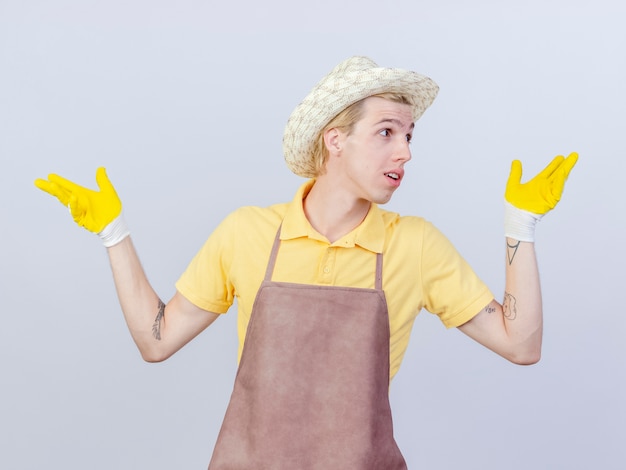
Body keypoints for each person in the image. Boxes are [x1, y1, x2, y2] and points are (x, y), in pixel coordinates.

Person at [35, 56, 578, 469]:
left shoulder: (414, 245)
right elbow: (156, 340)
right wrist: (113, 232)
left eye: (410, 136)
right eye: (386, 132)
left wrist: (520, 227)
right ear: (334, 139)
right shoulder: (248, 232)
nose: (405, 152)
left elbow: (521, 344)